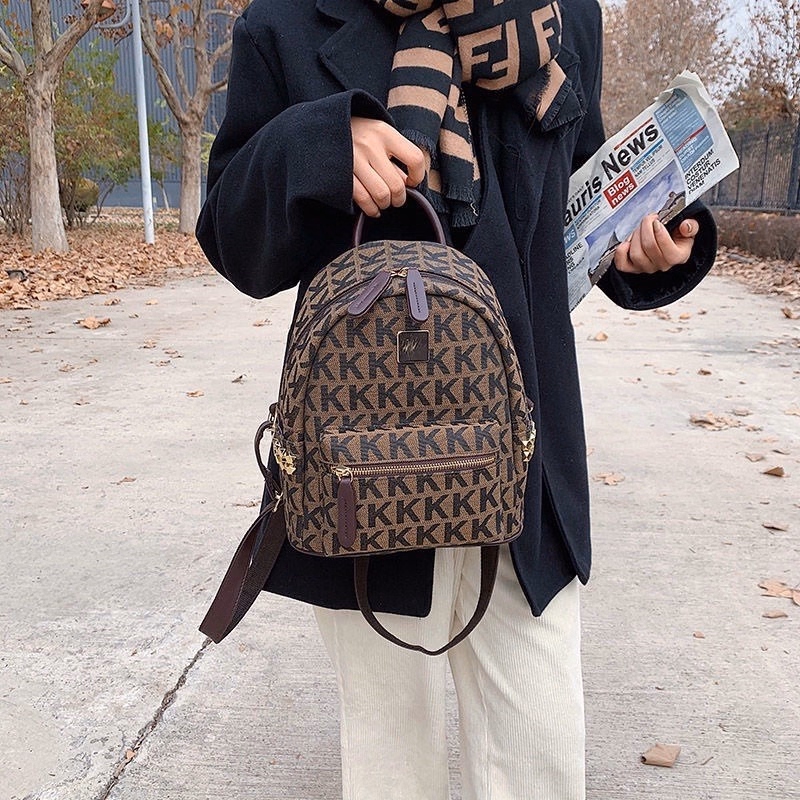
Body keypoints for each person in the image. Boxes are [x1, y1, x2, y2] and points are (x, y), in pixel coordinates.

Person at [196, 1, 717, 797]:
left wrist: (648, 243)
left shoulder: (564, 18)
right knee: (391, 769)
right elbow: (233, 240)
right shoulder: (289, 21)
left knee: (541, 762)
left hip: (524, 463)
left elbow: (576, 206)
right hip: (362, 473)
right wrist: (321, 147)